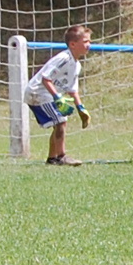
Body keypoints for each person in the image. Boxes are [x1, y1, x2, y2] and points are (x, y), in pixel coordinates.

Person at [25, 24, 91, 166]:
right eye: (85, 41)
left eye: (89, 41)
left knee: (59, 123)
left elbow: (72, 90)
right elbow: (45, 78)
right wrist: (57, 97)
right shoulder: (63, 58)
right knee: (60, 121)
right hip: (37, 92)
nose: (89, 45)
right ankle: (62, 156)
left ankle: (52, 159)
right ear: (73, 44)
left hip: (48, 94)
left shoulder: (76, 65)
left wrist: (81, 108)